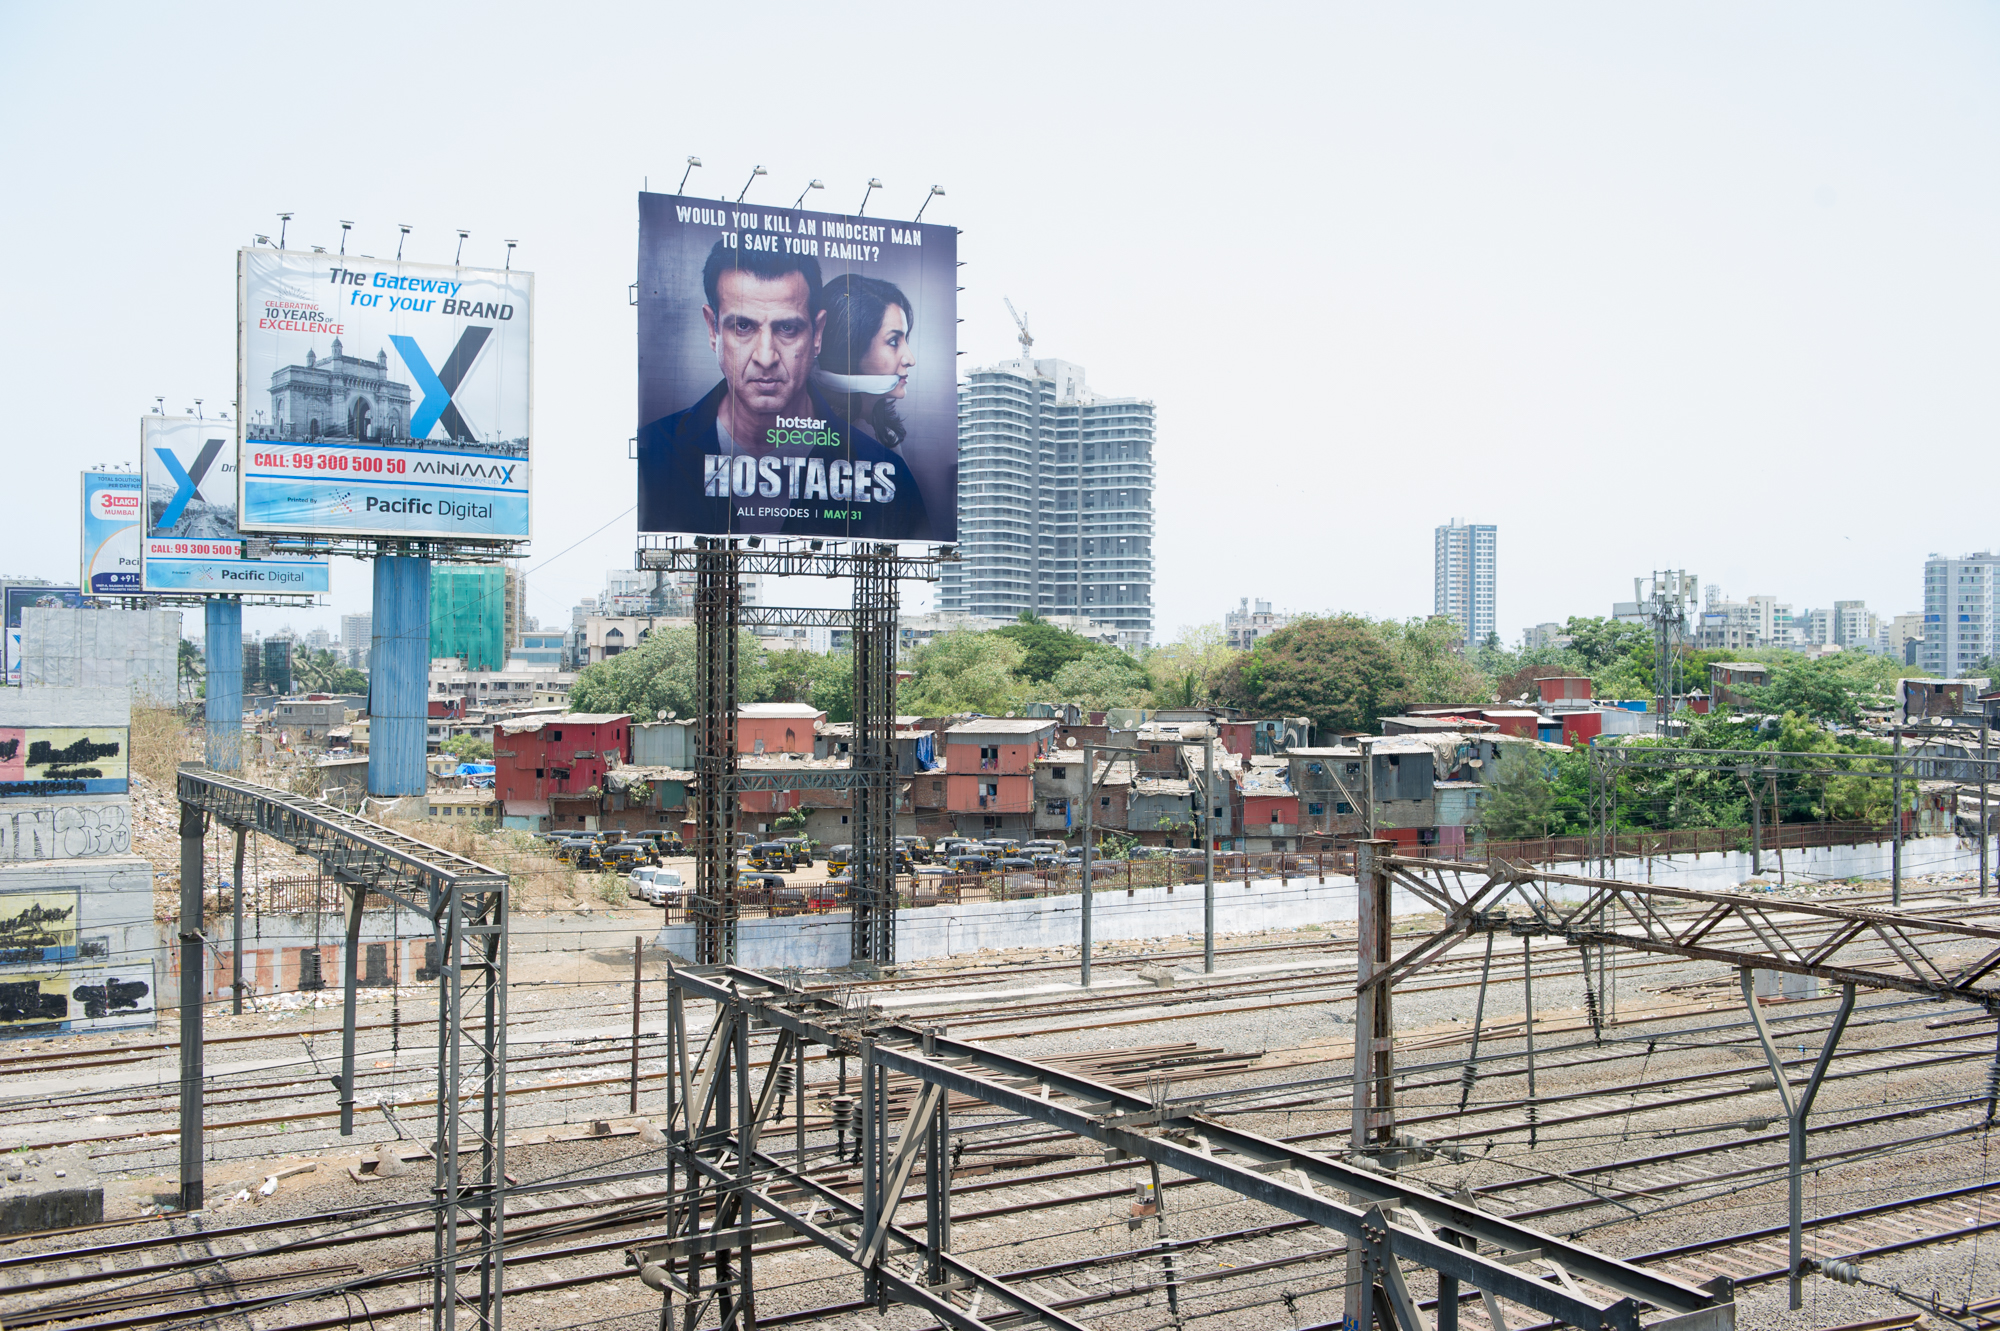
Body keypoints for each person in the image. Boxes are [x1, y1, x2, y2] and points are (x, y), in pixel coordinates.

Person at [638, 241, 927, 538]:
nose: (766, 357)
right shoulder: (655, 450)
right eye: (742, 326)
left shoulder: (887, 475)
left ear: (818, 334)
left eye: (787, 329)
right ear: (713, 330)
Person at [813, 274, 915, 450]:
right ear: (851, 349)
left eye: (905, 339)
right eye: (893, 342)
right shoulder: (825, 438)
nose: (910, 360)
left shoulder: (883, 434)